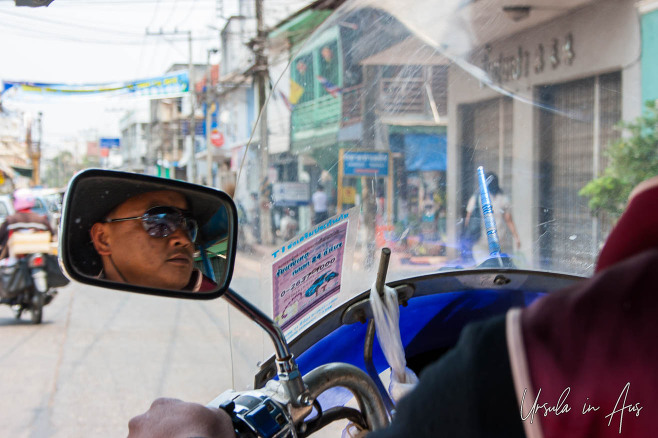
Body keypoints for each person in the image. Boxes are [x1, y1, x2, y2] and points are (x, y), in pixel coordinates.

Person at [126, 176, 658, 438]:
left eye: (183, 227)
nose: (178, 240)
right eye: (158, 225)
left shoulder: (591, 344)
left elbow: (508, 377)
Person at [88, 189, 216, 292]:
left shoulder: (218, 299)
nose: (184, 239)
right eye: (160, 222)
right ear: (102, 239)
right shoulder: (80, 308)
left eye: (189, 226)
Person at [463, 172, 520, 264]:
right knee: (497, 266)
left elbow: (468, 220)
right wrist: (516, 238)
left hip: (480, 241)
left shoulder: (476, 198)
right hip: (498, 240)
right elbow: (509, 220)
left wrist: (468, 236)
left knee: (483, 267)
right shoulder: (503, 198)